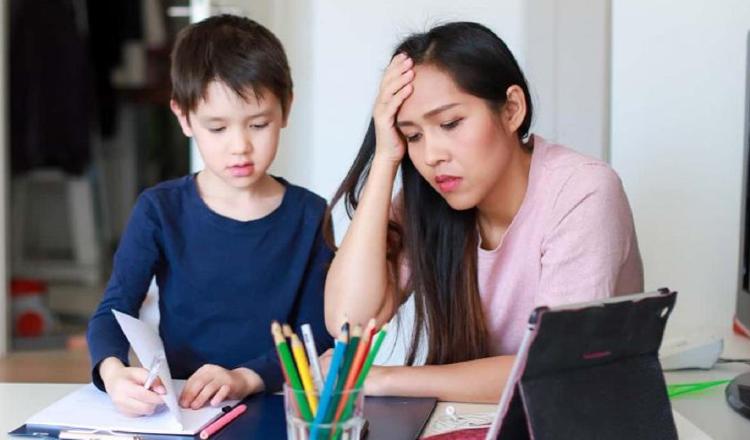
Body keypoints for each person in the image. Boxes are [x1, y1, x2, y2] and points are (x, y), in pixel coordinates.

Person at [324, 21, 643, 403]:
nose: (431, 155)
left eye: (449, 123)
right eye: (413, 135)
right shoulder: (426, 200)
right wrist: (385, 158)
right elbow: (348, 323)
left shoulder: (583, 192)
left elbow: (552, 367)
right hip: (480, 419)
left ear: (511, 110)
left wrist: (382, 379)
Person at [87, 15, 332, 416]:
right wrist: (114, 373)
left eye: (258, 124)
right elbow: (113, 311)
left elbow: (315, 337)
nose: (240, 147)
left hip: (275, 401)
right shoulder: (159, 209)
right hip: (183, 407)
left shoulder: (309, 213)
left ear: (286, 109)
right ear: (183, 117)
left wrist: (244, 378)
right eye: (217, 128)